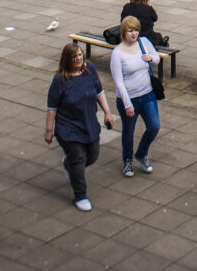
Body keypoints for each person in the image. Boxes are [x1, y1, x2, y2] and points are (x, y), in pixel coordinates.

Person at [44, 42, 114, 211]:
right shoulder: (60, 81)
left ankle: (69, 165)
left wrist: (107, 112)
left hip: (88, 123)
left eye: (80, 55)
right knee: (79, 159)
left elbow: (99, 92)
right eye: (75, 57)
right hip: (68, 127)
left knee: (93, 154)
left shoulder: (90, 70)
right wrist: (49, 130)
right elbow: (52, 108)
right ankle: (80, 195)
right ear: (67, 60)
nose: (78, 59)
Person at [111, 16, 161, 177]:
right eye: (130, 31)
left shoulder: (144, 42)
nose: (134, 34)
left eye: (136, 30)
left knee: (154, 126)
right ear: (123, 32)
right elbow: (119, 82)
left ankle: (141, 153)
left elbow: (157, 58)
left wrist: (151, 58)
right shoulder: (117, 53)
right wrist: (127, 104)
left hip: (147, 94)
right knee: (128, 130)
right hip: (129, 98)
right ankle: (128, 160)